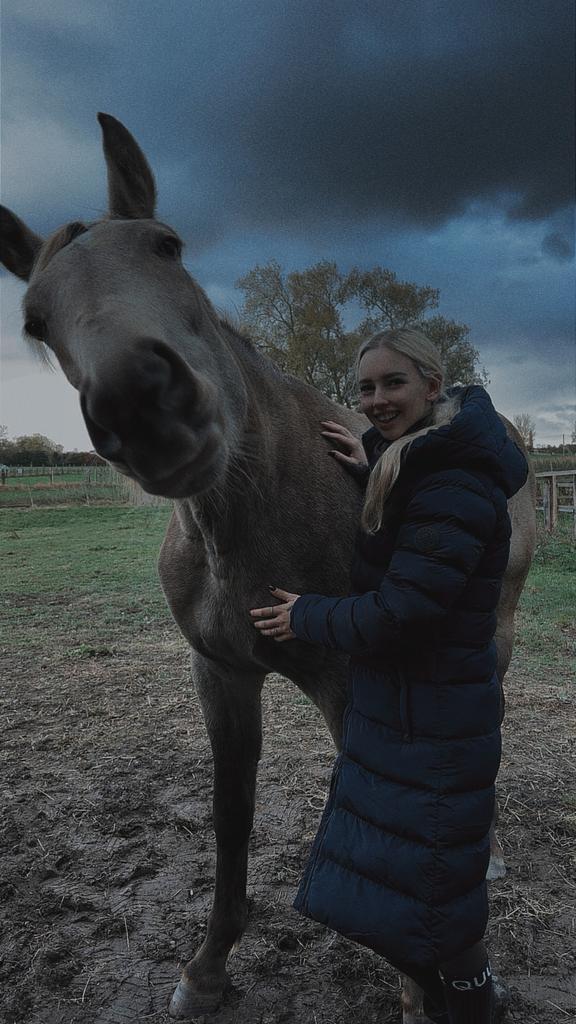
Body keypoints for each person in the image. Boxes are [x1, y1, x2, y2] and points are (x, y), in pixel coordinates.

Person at [250, 328, 528, 1024]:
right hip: (416, 705)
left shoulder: (458, 484)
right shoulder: (430, 464)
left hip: (434, 712)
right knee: (420, 870)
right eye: (366, 388)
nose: (375, 400)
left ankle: (473, 1004)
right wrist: (374, 458)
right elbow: (419, 519)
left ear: (433, 386)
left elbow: (404, 611)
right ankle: (456, 994)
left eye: (393, 384)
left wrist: (308, 617)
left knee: (437, 878)